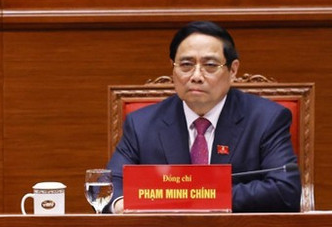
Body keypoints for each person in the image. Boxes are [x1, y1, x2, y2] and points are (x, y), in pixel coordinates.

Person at [107, 20, 300, 213]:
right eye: (186, 65)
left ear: (232, 71)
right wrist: (120, 204)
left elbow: (285, 190)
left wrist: (199, 196)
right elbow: (108, 188)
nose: (197, 76)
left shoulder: (266, 119)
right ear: (172, 69)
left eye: (210, 65)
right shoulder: (142, 124)